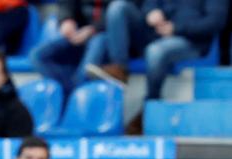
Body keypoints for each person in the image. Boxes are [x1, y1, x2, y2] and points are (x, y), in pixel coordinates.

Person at [86, 0, 227, 133]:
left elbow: (215, 22)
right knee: (118, 7)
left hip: (191, 41)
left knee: (156, 51)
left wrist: (176, 28)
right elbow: (149, 4)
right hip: (155, 33)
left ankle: (149, 107)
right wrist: (151, 12)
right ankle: (119, 68)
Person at [28, 0, 118, 95]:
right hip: (78, 36)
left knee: (97, 41)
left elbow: (121, 12)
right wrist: (66, 19)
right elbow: (66, 5)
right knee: (37, 56)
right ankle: (70, 93)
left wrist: (93, 29)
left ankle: (77, 96)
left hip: (107, 37)